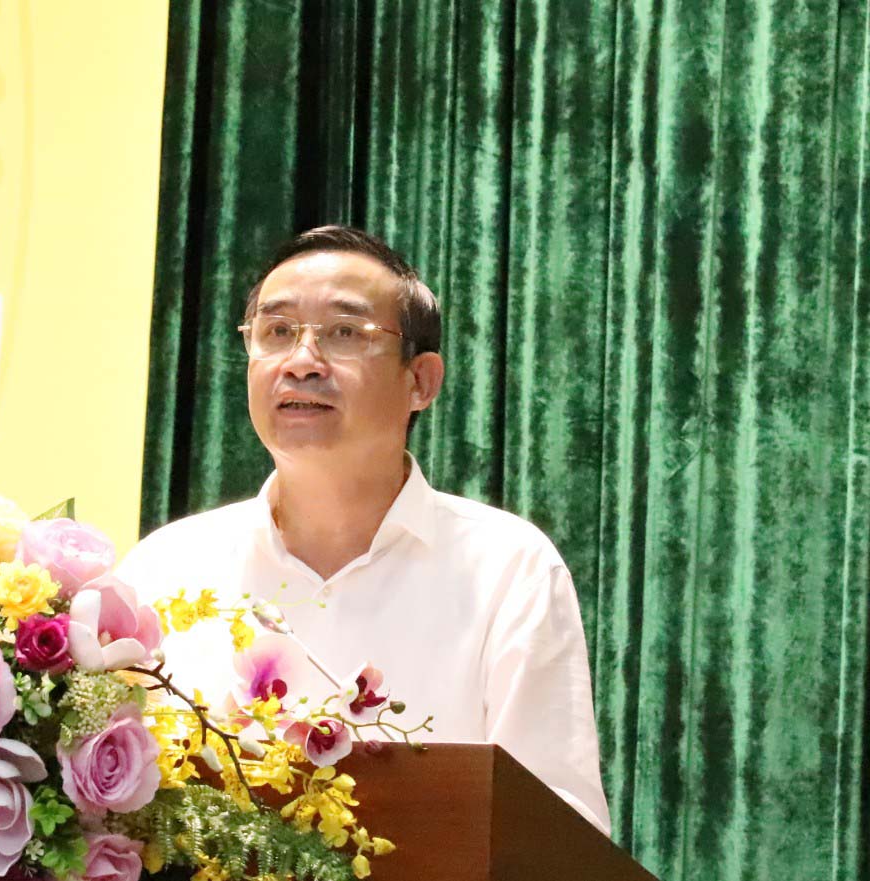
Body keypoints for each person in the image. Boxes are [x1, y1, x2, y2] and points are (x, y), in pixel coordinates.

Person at [116, 225, 611, 834]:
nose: (301, 361)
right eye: (276, 332)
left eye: (344, 333)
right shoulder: (164, 567)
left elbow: (556, 833)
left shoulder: (507, 569)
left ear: (421, 381)